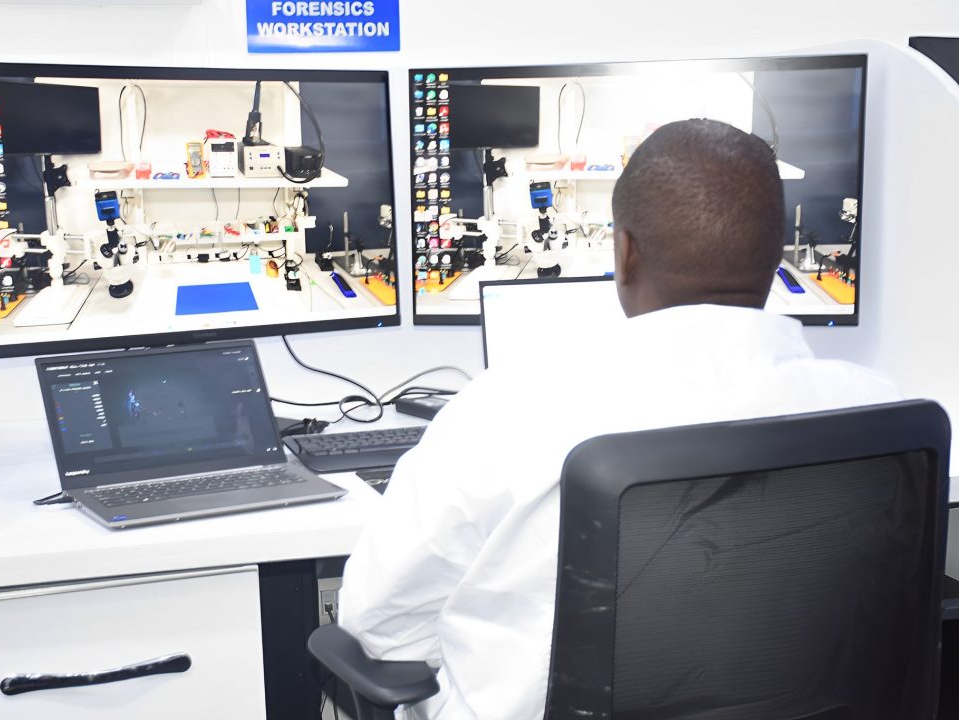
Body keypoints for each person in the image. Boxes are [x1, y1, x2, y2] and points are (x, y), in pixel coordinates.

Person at [337, 119, 900, 720]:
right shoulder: (880, 413)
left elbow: (380, 629)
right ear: (775, 252)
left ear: (624, 253)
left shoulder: (508, 410)